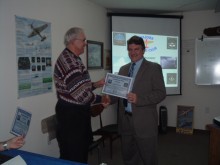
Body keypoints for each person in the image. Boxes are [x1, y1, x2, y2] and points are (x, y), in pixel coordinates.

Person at [54, 27, 109, 163]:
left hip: (76, 114)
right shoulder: (70, 62)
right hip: (71, 117)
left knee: (79, 152)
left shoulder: (74, 58)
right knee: (74, 156)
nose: (86, 43)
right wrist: (101, 99)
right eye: (83, 40)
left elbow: (79, 87)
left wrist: (96, 84)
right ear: (73, 41)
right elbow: (81, 95)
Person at [110, 35, 166, 165]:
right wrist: (109, 99)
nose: (133, 52)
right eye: (130, 49)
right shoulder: (123, 69)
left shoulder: (153, 68)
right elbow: (118, 93)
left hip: (144, 122)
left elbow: (161, 93)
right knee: (128, 157)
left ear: (143, 50)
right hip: (126, 120)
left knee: (148, 157)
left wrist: (139, 99)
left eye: (136, 49)